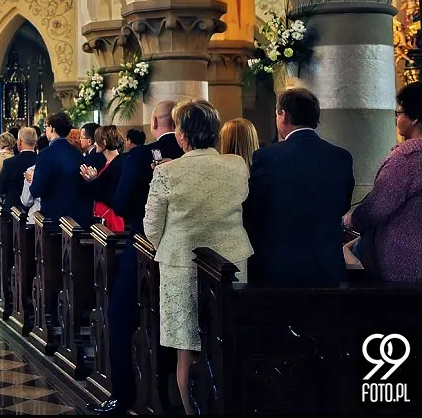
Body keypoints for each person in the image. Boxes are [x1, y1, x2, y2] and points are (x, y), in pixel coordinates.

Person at [143, 99, 253, 416]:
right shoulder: (237, 165)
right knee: (226, 343)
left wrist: (175, 240)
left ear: (181, 135)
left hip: (181, 265)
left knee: (187, 350)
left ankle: (193, 412)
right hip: (230, 264)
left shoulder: (167, 173)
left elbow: (151, 228)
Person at [88, 101, 178, 416]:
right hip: (187, 253)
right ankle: (175, 394)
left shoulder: (140, 156)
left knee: (121, 315)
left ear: (154, 122)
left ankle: (124, 395)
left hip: (144, 247)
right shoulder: (194, 154)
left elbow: (123, 204)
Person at [243, 88, 354, 286]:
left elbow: (254, 210)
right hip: (326, 266)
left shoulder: (267, 157)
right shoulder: (341, 157)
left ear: (284, 115)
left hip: (278, 266)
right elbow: (343, 205)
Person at [343, 81, 421, 283]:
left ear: (414, 118)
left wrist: (349, 221)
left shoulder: (408, 158)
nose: (396, 118)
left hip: (404, 260)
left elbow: (377, 207)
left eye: (399, 113)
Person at [29, 113, 93, 227]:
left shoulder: (45, 154)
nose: (45, 130)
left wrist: (33, 180)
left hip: (52, 217)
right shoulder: (77, 153)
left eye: (46, 127)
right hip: (74, 218)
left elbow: (37, 190)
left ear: (52, 128)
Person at [80, 125, 125, 232]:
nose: (95, 144)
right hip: (102, 215)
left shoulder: (118, 164)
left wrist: (93, 181)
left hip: (111, 217)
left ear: (104, 141)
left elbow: (108, 194)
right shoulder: (107, 162)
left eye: (97, 141)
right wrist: (91, 180)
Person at [0, 127, 38, 206]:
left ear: (19, 142)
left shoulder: (9, 163)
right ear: (35, 143)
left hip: (12, 208)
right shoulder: (41, 162)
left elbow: (0, 188)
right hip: (35, 209)